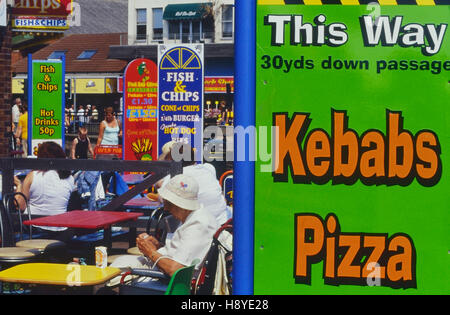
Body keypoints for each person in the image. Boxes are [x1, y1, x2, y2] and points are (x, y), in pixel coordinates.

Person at [108, 174, 218, 284]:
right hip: (163, 271)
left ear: (180, 204)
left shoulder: (198, 224)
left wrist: (150, 251)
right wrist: (158, 246)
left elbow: (175, 270)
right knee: (117, 266)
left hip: (170, 280)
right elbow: (180, 253)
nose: (166, 208)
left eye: (169, 203)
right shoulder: (193, 216)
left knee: (115, 276)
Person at [14, 142, 76, 242]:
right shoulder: (70, 178)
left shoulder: (33, 175)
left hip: (34, 228)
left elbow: (20, 206)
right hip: (61, 229)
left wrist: (19, 185)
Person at [158, 141, 231, 225]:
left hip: (198, 227)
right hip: (223, 223)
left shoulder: (173, 178)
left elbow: (162, 200)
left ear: (171, 160)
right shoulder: (208, 168)